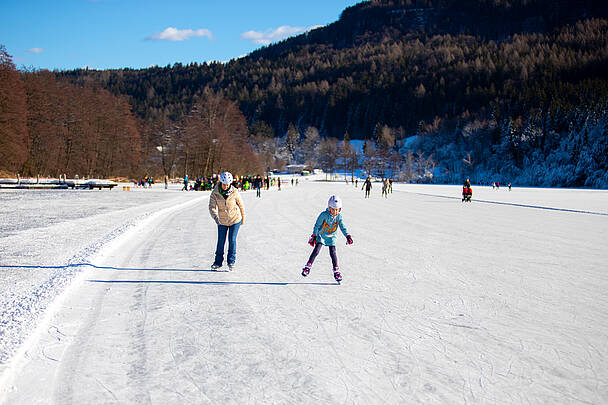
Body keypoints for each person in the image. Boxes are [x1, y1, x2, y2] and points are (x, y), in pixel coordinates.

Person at [301, 195, 353, 283]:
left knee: (333, 252)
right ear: (329, 208)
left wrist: (347, 236)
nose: (335, 211)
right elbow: (317, 226)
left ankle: (336, 270)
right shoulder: (323, 215)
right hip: (321, 235)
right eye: (333, 209)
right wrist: (314, 235)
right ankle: (308, 266)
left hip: (332, 236)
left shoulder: (339, 217)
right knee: (316, 250)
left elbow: (343, 227)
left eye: (337, 210)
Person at [209, 171, 245, 271]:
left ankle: (231, 261)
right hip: (222, 221)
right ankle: (218, 262)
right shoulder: (215, 192)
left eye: (227, 184)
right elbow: (211, 207)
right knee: (221, 241)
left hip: (235, 219)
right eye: (224, 184)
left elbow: (241, 205)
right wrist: (216, 218)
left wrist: (243, 218)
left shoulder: (234, 191)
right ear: (221, 182)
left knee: (232, 240)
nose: (226, 186)